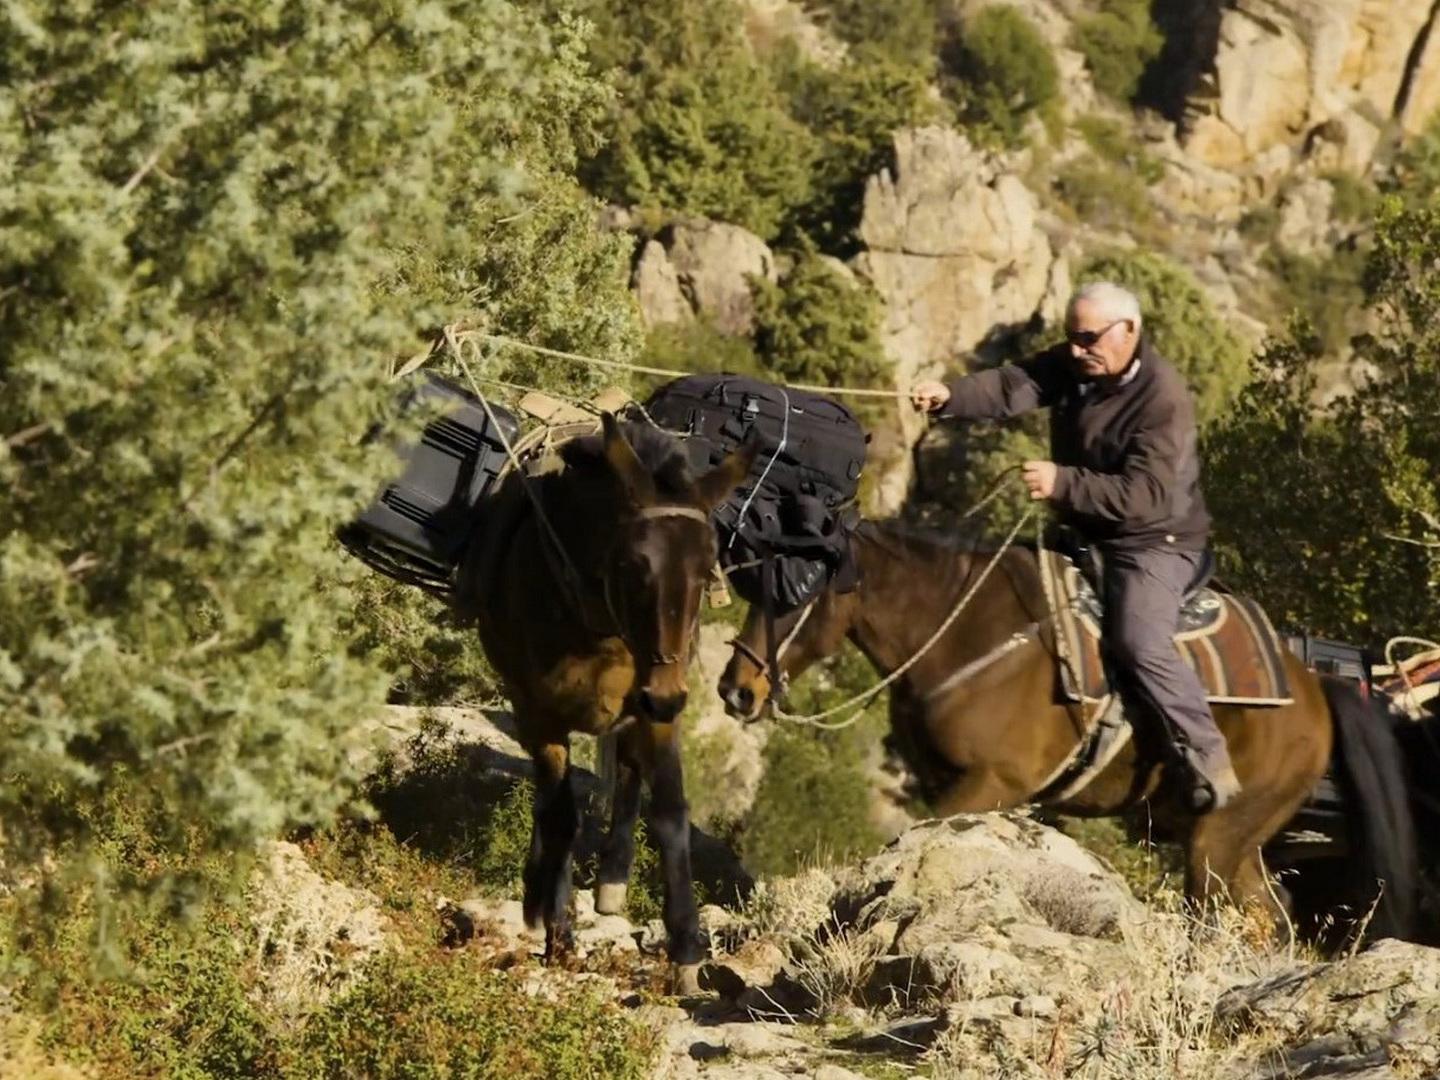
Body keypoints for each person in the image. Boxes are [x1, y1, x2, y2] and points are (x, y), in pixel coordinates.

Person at [910, 282, 1241, 813]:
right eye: (1071, 337)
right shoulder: (1078, 362)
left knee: (1138, 640)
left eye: (1088, 337)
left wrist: (1063, 483)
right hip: (1086, 530)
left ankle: (1206, 753)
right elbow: (1014, 385)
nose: (1078, 348)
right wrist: (951, 397)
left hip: (1153, 540)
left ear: (1128, 331)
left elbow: (1147, 495)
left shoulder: (1163, 399)